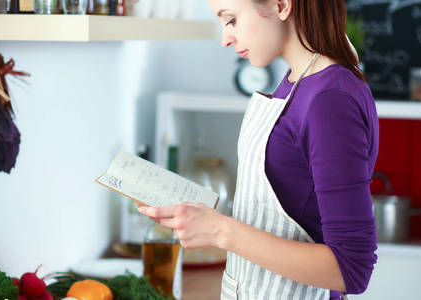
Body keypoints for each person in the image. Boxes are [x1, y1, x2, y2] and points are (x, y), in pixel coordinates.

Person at [138, 0, 378, 299]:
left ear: (281, 5)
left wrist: (221, 231)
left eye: (232, 20)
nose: (225, 38)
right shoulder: (297, 79)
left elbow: (351, 269)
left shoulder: (329, 99)